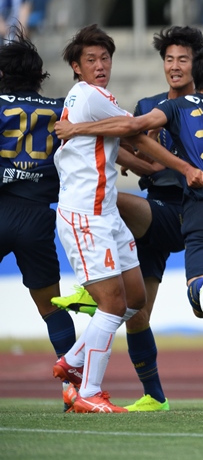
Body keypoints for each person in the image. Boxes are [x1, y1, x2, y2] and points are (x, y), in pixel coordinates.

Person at [55, 43, 203, 410]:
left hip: (190, 210)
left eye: (183, 59)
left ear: (197, 68)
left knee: (109, 208)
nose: (175, 65)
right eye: (169, 59)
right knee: (138, 307)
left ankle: (99, 276)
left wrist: (77, 130)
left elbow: (133, 133)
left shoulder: (172, 108)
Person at [52, 26, 203, 412]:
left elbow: (124, 142)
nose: (100, 65)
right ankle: (89, 392)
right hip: (89, 214)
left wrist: (143, 161)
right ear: (76, 67)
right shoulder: (94, 96)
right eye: (91, 60)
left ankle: (73, 359)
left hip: (113, 214)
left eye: (105, 58)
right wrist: (180, 167)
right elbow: (132, 131)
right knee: (114, 304)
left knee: (134, 300)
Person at [0, 31, 76, 410]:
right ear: (39, 76)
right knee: (51, 307)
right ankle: (75, 391)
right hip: (37, 217)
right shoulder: (60, 109)